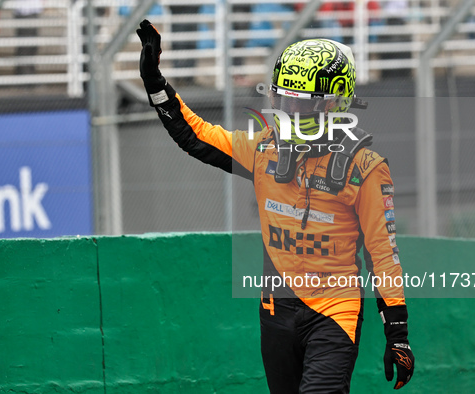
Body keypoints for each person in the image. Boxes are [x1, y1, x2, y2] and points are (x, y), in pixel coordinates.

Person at [136, 20, 415, 393]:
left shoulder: (364, 168)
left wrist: (397, 333)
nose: (290, 112)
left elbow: (383, 254)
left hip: (335, 312)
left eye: (303, 103)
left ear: (337, 102)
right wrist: (155, 82)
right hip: (275, 311)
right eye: (283, 100)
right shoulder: (265, 149)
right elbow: (196, 135)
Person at [13, 0, 43, 76]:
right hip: (25, 12)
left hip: (32, 11)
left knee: (32, 46)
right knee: (25, 46)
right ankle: (25, 76)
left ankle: (28, 74)